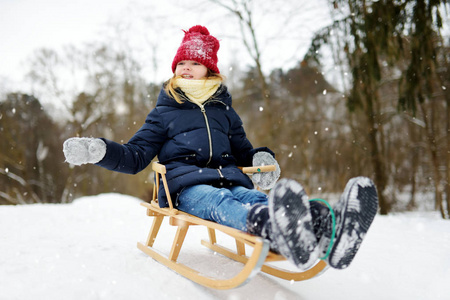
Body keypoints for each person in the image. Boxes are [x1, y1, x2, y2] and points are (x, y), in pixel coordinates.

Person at [63, 25, 378, 270]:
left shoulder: (224, 111)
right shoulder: (163, 112)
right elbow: (135, 157)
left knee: (253, 197)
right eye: (181, 63)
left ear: (209, 70)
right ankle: (275, 228)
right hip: (187, 187)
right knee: (222, 204)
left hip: (232, 179)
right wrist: (98, 150)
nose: (185, 68)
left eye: (194, 63)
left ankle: (325, 224)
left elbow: (244, 151)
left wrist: (261, 159)